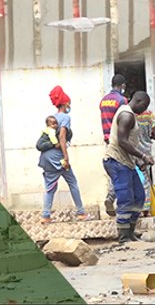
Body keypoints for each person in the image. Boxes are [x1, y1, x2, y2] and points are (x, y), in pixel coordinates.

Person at [104, 91, 155, 243]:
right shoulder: (126, 115)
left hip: (127, 162)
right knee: (125, 199)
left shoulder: (132, 115)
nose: (144, 109)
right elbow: (122, 141)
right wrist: (143, 156)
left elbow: (130, 143)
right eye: (144, 105)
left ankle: (131, 231)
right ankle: (123, 235)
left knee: (139, 197)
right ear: (138, 101)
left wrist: (138, 162)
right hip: (117, 161)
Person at [41, 86, 89, 224]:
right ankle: (81, 213)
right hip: (57, 157)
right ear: (64, 103)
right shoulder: (65, 117)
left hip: (46, 157)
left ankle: (45, 215)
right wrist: (65, 156)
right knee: (72, 182)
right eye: (69, 103)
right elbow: (62, 136)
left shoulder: (51, 118)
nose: (69, 106)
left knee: (50, 187)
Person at [100, 74, 129, 216]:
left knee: (114, 172)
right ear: (122, 85)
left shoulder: (103, 101)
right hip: (119, 140)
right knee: (124, 173)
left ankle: (111, 197)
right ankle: (115, 200)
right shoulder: (122, 101)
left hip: (107, 140)